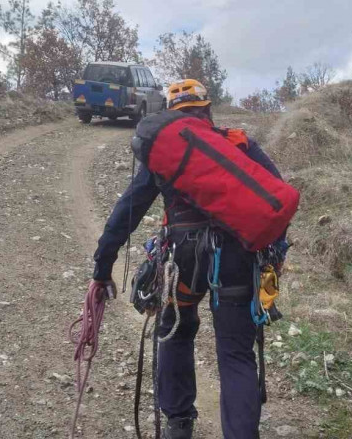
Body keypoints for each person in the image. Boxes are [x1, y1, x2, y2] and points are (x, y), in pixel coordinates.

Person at [91, 79, 288, 439]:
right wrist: (276, 255)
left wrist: (102, 268)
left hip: (180, 258)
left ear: (171, 115)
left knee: (175, 331)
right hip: (235, 257)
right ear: (207, 110)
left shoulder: (165, 152)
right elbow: (276, 200)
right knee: (235, 354)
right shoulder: (238, 143)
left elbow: (126, 212)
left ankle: (179, 423)